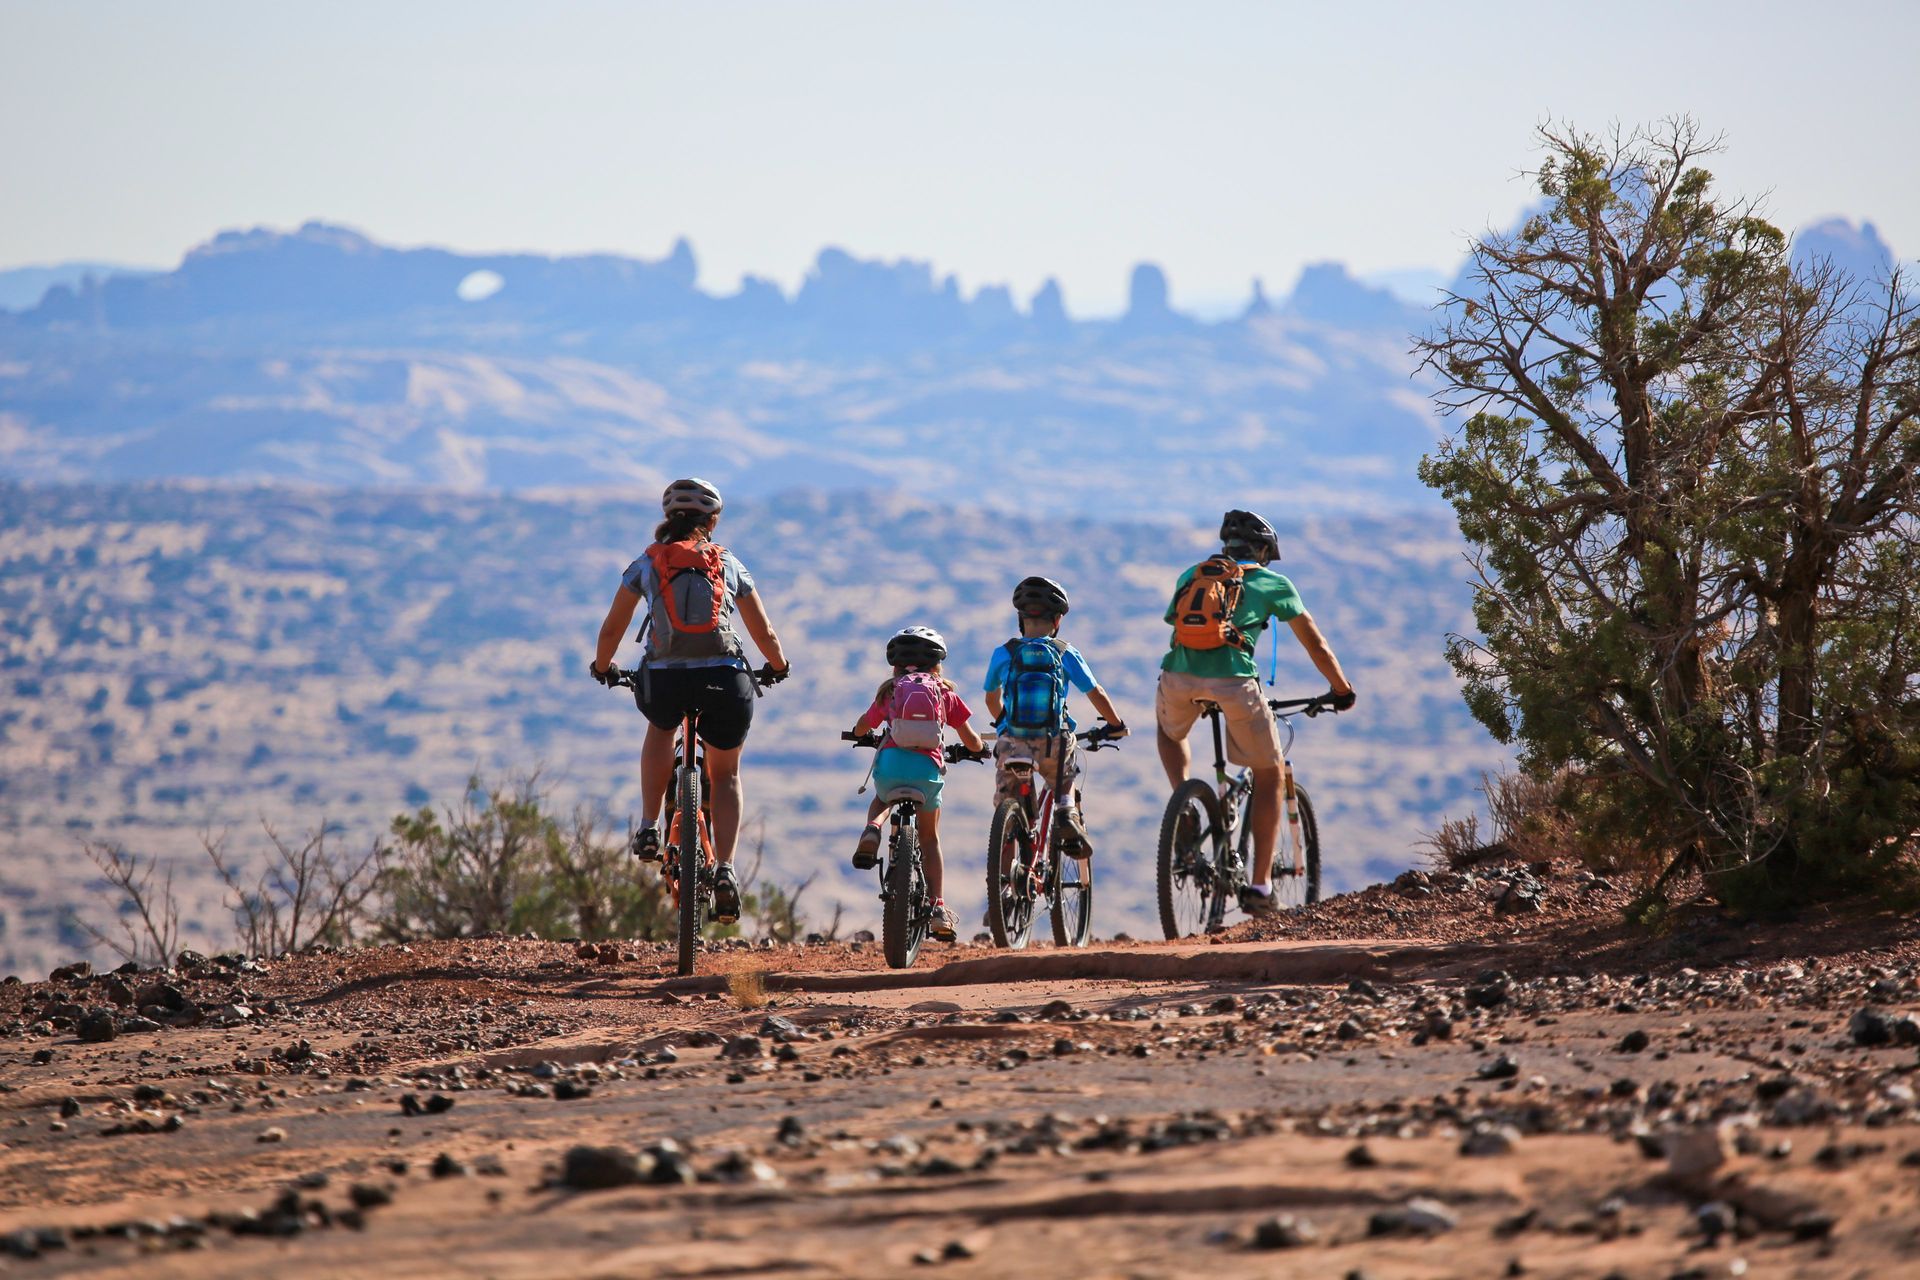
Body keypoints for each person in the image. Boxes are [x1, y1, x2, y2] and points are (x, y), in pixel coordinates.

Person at [588, 477, 789, 924]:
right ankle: (726, 869)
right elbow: (764, 633)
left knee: (660, 729)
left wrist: (603, 667)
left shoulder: (647, 562)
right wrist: (777, 665)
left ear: (667, 519)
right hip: (725, 680)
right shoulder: (728, 563)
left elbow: (610, 630)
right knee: (727, 772)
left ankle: (646, 826)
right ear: (712, 521)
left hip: (663, 681)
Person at [1155, 509, 1355, 916]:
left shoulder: (1192, 575)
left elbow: (1175, 626)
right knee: (1269, 774)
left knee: (1169, 730)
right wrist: (1341, 689)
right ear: (1263, 550)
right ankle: (1261, 888)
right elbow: (1316, 644)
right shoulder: (1272, 583)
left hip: (1177, 678)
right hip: (1235, 682)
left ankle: (1185, 800)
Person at [847, 626, 986, 943]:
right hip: (927, 773)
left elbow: (863, 724)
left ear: (894, 665)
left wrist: (859, 734)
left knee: (881, 799)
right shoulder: (944, 692)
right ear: (937, 665)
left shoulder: (890, 691)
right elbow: (972, 739)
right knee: (930, 838)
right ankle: (937, 906)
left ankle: (873, 827)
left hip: (891, 767)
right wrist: (977, 750)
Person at [982, 576, 1127, 856]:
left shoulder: (1004, 653)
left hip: (1013, 745)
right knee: (1064, 777)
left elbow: (991, 698)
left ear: (1020, 618)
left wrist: (1004, 725)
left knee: (1006, 816)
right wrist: (1115, 724)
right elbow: (1095, 691)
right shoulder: (1064, 652)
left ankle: (1003, 888)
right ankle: (1065, 810)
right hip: (1053, 744)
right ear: (1058, 620)